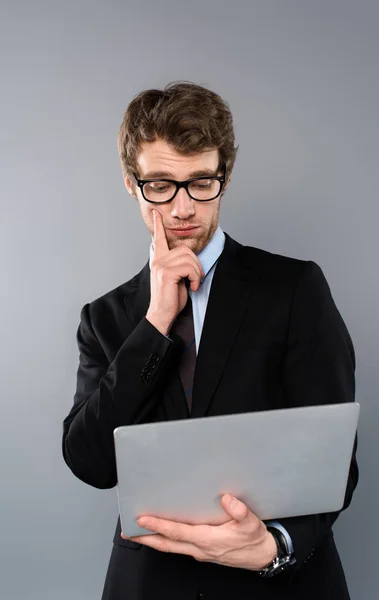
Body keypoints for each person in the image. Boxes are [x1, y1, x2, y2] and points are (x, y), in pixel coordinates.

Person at [62, 82, 358, 600]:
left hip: (278, 585)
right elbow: (90, 463)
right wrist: (154, 324)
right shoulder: (105, 319)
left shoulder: (295, 289)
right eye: (160, 185)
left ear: (225, 176)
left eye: (201, 183)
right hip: (151, 585)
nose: (181, 209)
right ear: (132, 184)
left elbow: (333, 457)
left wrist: (276, 545)